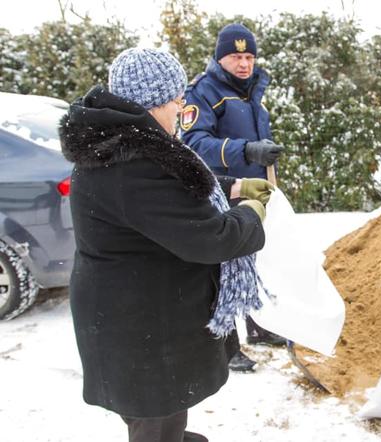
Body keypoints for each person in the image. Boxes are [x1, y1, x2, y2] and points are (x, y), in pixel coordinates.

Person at [61, 47, 271, 442]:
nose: (181, 108)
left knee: (161, 414)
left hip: (136, 315)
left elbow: (179, 191)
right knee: (154, 418)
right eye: (178, 100)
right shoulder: (132, 164)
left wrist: (235, 187)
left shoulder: (124, 144)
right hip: (139, 327)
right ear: (153, 101)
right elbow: (211, 238)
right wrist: (252, 215)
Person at [181, 23, 286, 372]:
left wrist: (263, 156)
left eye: (249, 56)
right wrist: (248, 151)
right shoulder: (203, 92)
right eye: (235, 57)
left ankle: (257, 327)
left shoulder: (252, 89)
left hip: (254, 190)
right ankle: (226, 346)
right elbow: (193, 144)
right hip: (219, 190)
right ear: (219, 58)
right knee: (223, 269)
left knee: (250, 262)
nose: (244, 64)